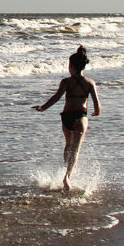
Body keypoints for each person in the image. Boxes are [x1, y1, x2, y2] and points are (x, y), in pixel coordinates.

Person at [33, 45, 100, 192]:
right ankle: (67, 177)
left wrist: (43, 107)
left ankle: (66, 170)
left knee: (68, 145)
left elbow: (56, 97)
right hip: (81, 117)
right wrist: (96, 112)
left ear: (71, 66)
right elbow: (96, 104)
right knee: (75, 150)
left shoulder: (65, 82)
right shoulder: (90, 83)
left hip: (66, 117)